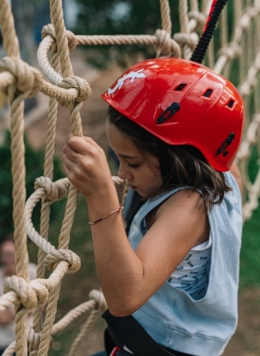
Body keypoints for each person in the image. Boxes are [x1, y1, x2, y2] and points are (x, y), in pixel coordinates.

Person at [62, 58, 244, 356]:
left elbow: (125, 297)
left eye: (132, 162)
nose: (121, 174)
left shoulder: (188, 209)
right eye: (117, 159)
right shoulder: (226, 174)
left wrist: (100, 197)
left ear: (180, 158)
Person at [0, 236, 37, 356]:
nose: (9, 259)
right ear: (0, 257)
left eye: (12, 254)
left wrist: (12, 312)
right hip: (4, 343)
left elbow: (43, 304)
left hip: (30, 337)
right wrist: (29, 304)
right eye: (5, 255)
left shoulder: (32, 271)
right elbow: (2, 319)